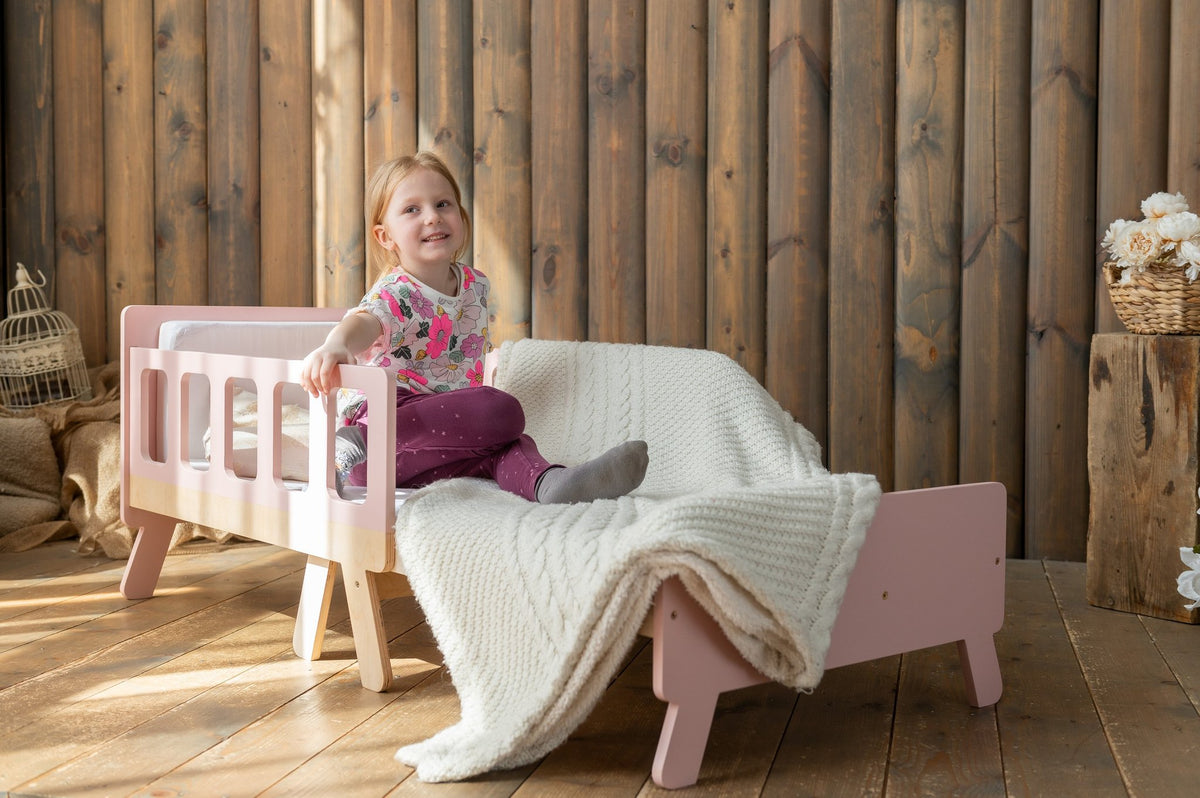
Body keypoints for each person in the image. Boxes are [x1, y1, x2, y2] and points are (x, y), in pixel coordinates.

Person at [299, 151, 648, 503]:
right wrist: (336, 345)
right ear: (385, 236)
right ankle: (358, 438)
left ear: (461, 216)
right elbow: (363, 321)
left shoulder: (474, 285)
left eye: (443, 204)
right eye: (412, 210)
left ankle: (550, 484)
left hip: (441, 446)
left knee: (506, 445)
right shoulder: (397, 291)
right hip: (377, 446)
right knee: (499, 410)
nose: (433, 217)